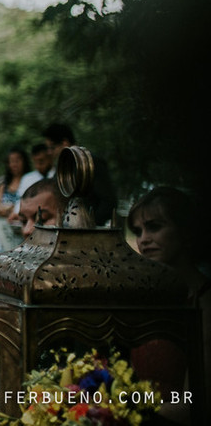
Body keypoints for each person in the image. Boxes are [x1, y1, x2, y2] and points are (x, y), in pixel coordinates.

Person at [127, 186, 210, 426]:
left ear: (185, 232)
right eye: (138, 231)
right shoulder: (144, 298)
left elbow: (196, 404)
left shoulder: (204, 302)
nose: (143, 239)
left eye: (154, 227)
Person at [41, 123, 117, 225]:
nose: (49, 153)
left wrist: (90, 225)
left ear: (64, 143)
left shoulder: (91, 163)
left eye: (52, 148)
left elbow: (109, 201)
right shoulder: (62, 168)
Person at [0, 148, 28, 253]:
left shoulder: (29, 180)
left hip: (23, 231)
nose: (14, 164)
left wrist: (7, 209)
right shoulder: (4, 184)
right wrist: (12, 208)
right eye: (11, 161)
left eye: (17, 160)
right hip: (4, 233)